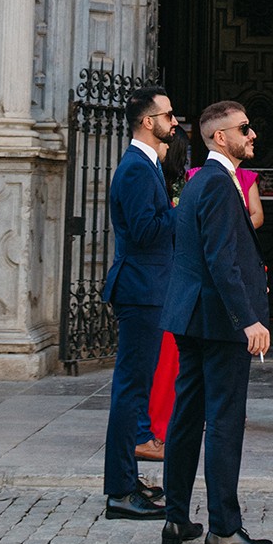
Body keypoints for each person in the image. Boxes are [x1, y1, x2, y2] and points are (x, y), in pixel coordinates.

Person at [161, 100, 272, 544]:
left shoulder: (199, 183)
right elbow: (222, 261)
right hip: (219, 323)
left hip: (192, 317)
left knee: (186, 419)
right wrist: (248, 319)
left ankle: (176, 518)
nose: (252, 135)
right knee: (223, 423)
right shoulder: (220, 186)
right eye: (244, 129)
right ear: (219, 137)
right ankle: (224, 529)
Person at [101, 87, 178, 520]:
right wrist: (180, 209)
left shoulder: (146, 165)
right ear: (149, 122)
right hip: (140, 290)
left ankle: (129, 482)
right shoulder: (134, 168)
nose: (174, 121)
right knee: (130, 392)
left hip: (150, 288)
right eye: (168, 115)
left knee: (137, 390)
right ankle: (118, 491)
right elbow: (146, 231)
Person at [138, 128, 191, 457]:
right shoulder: (150, 179)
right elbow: (149, 231)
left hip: (168, 282)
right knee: (157, 365)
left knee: (164, 365)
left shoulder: (170, 184)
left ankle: (157, 429)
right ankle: (150, 433)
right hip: (161, 283)